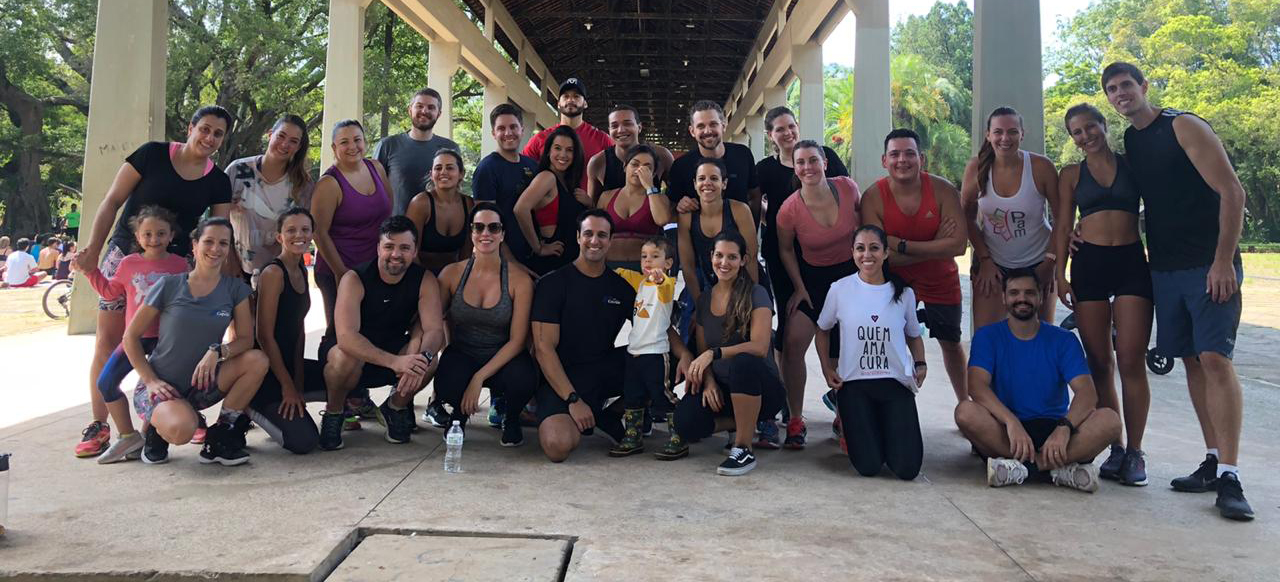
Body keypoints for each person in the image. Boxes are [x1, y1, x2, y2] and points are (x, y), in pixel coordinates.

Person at [1102, 62, 1253, 520]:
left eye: (1127, 85)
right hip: (1164, 269)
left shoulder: (1183, 125)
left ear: (1145, 87)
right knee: (1190, 359)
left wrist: (1223, 260)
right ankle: (1211, 459)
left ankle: (1230, 473)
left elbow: (1233, 192)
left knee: (1214, 358)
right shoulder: (1130, 140)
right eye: (1112, 89)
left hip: (1209, 265)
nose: (1121, 93)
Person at [72, 105, 234, 458]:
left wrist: (219, 281)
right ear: (190, 127)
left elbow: (219, 232)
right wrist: (93, 250)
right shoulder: (151, 155)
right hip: (126, 260)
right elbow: (113, 200)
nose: (209, 138)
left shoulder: (218, 180)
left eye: (217, 134)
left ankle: (171, 412)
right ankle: (101, 424)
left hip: (175, 268)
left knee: (174, 340)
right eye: (204, 129)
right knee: (110, 339)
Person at [1052, 103, 1153, 487]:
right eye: (1076, 132)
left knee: (1130, 359)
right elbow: (1063, 225)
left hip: (1130, 261)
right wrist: (1060, 277)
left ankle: (1137, 451)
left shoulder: (1132, 164)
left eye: (1090, 126)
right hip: (1089, 265)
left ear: (1103, 125)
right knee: (1099, 362)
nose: (1085, 136)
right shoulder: (1071, 174)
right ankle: (1117, 445)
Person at [954, 269, 1121, 492]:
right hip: (1008, 430)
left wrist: (1065, 428)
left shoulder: (1063, 340)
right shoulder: (988, 336)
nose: (1021, 298)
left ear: (1041, 297)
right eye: (1014, 293)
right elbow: (976, 386)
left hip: (1054, 428)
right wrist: (1011, 422)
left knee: (1110, 420)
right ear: (1004, 297)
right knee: (965, 412)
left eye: (1029, 293)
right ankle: (1059, 471)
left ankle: (1025, 469)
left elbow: (1087, 393)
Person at [124, 217, 268, 466]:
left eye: (223, 243)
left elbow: (245, 340)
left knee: (257, 360)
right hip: (163, 385)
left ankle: (220, 436)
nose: (215, 249)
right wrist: (150, 380)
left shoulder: (235, 289)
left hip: (203, 383)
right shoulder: (169, 285)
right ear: (194, 245)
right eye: (209, 241)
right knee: (182, 430)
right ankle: (156, 432)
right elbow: (130, 337)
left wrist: (218, 351)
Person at [663, 232, 785, 475]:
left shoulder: (757, 293)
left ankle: (743, 447)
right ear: (711, 257)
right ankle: (745, 422)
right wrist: (708, 382)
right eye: (719, 256)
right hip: (723, 388)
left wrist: (715, 353)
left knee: (743, 361)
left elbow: (760, 346)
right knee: (685, 423)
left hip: (762, 388)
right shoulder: (705, 299)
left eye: (732, 257)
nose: (724, 263)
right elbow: (701, 349)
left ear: (743, 260)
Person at [319, 216, 445, 450]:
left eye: (404, 248)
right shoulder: (354, 278)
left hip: (393, 349)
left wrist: (421, 359)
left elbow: (435, 330)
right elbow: (347, 337)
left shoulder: (424, 279)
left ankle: (395, 407)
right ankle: (334, 412)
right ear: (378, 248)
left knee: (430, 359)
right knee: (343, 356)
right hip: (351, 355)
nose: (396, 254)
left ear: (414, 251)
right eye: (389, 246)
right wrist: (396, 362)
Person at [74, 206, 188, 463]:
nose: (154, 239)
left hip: (166, 340)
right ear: (137, 237)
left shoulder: (180, 265)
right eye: (147, 234)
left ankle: (150, 432)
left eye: (161, 233)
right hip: (134, 338)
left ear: (171, 236)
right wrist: (89, 271)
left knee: (160, 389)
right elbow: (110, 292)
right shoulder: (128, 264)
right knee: (106, 382)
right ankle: (127, 435)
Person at [862, 129, 969, 403]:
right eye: (895, 154)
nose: (902, 160)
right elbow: (876, 256)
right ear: (884, 160)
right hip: (893, 281)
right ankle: (885, 405)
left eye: (909, 153)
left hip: (941, 281)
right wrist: (935, 245)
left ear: (921, 158)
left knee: (951, 344)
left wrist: (901, 245)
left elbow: (957, 246)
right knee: (884, 342)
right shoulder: (874, 196)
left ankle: (968, 406)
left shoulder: (943, 189)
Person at [815, 225, 927, 479]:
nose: (867, 255)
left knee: (907, 469)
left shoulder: (904, 294)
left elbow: (913, 334)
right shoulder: (840, 289)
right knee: (868, 466)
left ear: (886, 253)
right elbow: (822, 330)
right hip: (855, 385)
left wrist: (920, 363)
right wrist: (826, 368)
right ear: (852, 253)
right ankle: (852, 423)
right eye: (860, 248)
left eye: (874, 248)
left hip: (894, 383)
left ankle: (884, 429)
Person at [771, 140, 861, 449]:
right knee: (793, 343)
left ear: (825, 162)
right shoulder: (789, 209)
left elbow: (864, 232)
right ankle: (795, 418)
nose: (807, 167)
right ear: (794, 168)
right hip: (813, 282)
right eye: (800, 162)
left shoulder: (848, 188)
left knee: (844, 349)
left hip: (850, 278)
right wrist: (799, 286)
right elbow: (785, 249)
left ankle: (846, 413)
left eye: (813, 160)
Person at [531, 209, 636, 462]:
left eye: (602, 235)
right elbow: (544, 349)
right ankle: (582, 414)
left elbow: (654, 327)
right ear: (578, 237)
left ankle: (609, 414)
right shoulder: (553, 284)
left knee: (665, 358)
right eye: (588, 234)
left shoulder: (619, 287)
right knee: (557, 446)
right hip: (561, 378)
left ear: (611, 241)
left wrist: (688, 355)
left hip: (603, 371)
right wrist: (573, 400)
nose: (594, 241)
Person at [431, 202, 537, 446]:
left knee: (524, 379)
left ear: (502, 234)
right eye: (479, 228)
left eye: (493, 228)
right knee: (447, 379)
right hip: (464, 351)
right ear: (471, 233)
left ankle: (511, 418)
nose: (485, 234)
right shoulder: (451, 274)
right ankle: (458, 416)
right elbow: (435, 320)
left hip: (504, 354)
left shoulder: (518, 279)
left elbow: (518, 340)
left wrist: (478, 378)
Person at [756, 106, 849, 351]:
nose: (787, 133)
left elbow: (847, 197)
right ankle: (785, 384)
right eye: (779, 129)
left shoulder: (824, 156)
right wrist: (775, 221)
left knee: (837, 326)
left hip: (827, 253)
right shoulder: (765, 169)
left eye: (791, 126)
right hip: (782, 253)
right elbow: (755, 207)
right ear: (770, 136)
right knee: (790, 322)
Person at [962, 106, 1060, 328]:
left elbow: (1062, 218)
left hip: (1039, 263)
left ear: (1022, 134)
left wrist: (1050, 262)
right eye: (998, 132)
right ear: (988, 135)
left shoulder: (1040, 167)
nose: (1005, 138)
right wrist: (985, 260)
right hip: (994, 266)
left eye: (1013, 131)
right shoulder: (976, 168)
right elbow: (966, 217)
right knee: (987, 339)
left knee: (1039, 337)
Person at [312, 119, 393, 358]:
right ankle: (334, 388)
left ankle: (359, 393)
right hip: (338, 269)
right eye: (344, 142)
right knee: (340, 335)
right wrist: (342, 273)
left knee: (366, 332)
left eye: (357, 140)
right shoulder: (329, 183)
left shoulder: (376, 168)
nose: (352, 147)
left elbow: (388, 209)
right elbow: (319, 232)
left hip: (373, 268)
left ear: (365, 142)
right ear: (334, 148)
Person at [250, 207, 325, 454]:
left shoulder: (301, 268)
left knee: (349, 383)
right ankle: (247, 409)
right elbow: (263, 335)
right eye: (291, 230)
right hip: (266, 374)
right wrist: (288, 385)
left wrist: (299, 378)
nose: (299, 235)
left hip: (288, 366)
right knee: (304, 442)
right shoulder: (273, 273)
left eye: (305, 229)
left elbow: (299, 327)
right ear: (279, 237)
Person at [608, 236, 679, 457]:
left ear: (668, 263)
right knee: (632, 395)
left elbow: (664, 289)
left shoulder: (667, 283)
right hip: (634, 352)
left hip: (656, 353)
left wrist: (660, 279)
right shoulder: (640, 283)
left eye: (655, 256)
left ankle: (679, 435)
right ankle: (633, 436)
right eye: (644, 256)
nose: (648, 261)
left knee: (662, 395)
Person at [225, 114, 315, 279]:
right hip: (236, 270)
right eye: (281, 136)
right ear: (270, 134)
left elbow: (304, 232)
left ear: (298, 147)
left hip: (283, 273)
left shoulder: (302, 185)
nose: (285, 144)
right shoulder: (237, 171)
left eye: (293, 141)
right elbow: (219, 221)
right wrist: (228, 259)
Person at [677, 158, 759, 302]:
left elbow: (750, 259)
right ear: (695, 184)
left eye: (714, 178)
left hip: (740, 280)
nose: (707, 183)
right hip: (703, 283)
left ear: (724, 183)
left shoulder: (739, 210)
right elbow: (688, 267)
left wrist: (749, 299)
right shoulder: (687, 216)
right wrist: (699, 304)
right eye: (701, 178)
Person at [514, 125, 592, 275]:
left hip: (569, 264)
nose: (563, 154)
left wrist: (589, 203)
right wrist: (538, 248)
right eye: (558, 148)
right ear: (548, 151)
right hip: (551, 266)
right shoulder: (547, 177)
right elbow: (520, 209)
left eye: (569, 150)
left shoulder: (568, 183)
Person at [667, 101, 761, 221]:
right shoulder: (681, 166)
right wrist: (680, 205)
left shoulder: (742, 154)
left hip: (739, 235)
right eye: (701, 126)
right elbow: (671, 206)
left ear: (723, 126)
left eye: (713, 124)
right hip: (698, 237)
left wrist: (752, 227)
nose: (707, 131)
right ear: (692, 131)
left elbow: (754, 195)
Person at [373, 88, 460, 215]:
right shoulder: (388, 145)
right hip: (397, 229)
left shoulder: (451, 148)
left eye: (431, 107)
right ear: (410, 110)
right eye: (419, 106)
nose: (425, 111)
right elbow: (373, 190)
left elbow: (456, 191)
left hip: (437, 228)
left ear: (439, 114)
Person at [473, 103, 540, 266]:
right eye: (501, 128)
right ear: (493, 133)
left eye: (513, 127)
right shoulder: (486, 169)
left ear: (522, 130)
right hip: (503, 260)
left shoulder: (532, 165)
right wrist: (511, 263)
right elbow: (486, 226)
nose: (508, 133)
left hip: (534, 253)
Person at [522, 78, 612, 191]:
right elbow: (522, 170)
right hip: (551, 206)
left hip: (588, 206)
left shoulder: (601, 139)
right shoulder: (540, 139)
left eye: (576, 96)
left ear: (585, 103)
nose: (570, 100)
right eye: (566, 96)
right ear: (558, 103)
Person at [596, 144, 673, 270]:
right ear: (625, 166)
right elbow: (596, 231)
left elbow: (662, 220)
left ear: (653, 174)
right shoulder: (606, 197)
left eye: (647, 168)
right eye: (635, 164)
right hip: (609, 266)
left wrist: (649, 187)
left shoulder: (659, 198)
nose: (639, 170)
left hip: (646, 269)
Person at [586, 105, 675, 202]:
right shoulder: (598, 162)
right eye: (614, 126)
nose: (621, 130)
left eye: (627, 124)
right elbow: (592, 205)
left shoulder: (662, 155)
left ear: (639, 127)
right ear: (609, 130)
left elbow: (675, 196)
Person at [405, 148, 473, 274]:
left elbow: (467, 252)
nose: (443, 172)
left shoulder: (468, 204)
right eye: (438, 168)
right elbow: (410, 251)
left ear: (461, 174)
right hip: (421, 273)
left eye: (450, 168)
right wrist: (427, 281)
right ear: (431, 174)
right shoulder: (421, 203)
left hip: (455, 275)